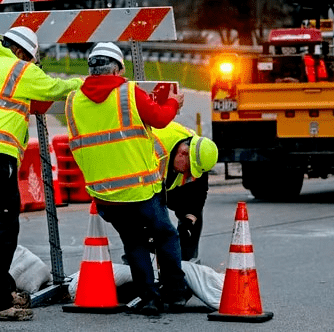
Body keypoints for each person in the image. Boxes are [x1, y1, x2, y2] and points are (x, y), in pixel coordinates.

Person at [0, 26, 82, 321]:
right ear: (22, 53)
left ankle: (1, 290)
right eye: (31, 59)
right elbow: (53, 88)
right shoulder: (19, 69)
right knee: (5, 227)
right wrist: (84, 83)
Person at [64, 42, 189, 316]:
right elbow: (159, 118)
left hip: (106, 195)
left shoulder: (73, 101)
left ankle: (150, 299)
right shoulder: (129, 93)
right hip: (141, 190)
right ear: (118, 68)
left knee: (134, 242)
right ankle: (176, 294)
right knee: (166, 234)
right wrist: (173, 103)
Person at [152, 122, 219, 262]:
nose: (188, 174)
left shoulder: (198, 152)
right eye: (188, 169)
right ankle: (136, 261)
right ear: (183, 153)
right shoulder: (156, 149)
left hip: (168, 185)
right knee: (149, 224)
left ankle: (186, 260)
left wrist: (188, 222)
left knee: (194, 217)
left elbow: (199, 192)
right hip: (146, 185)